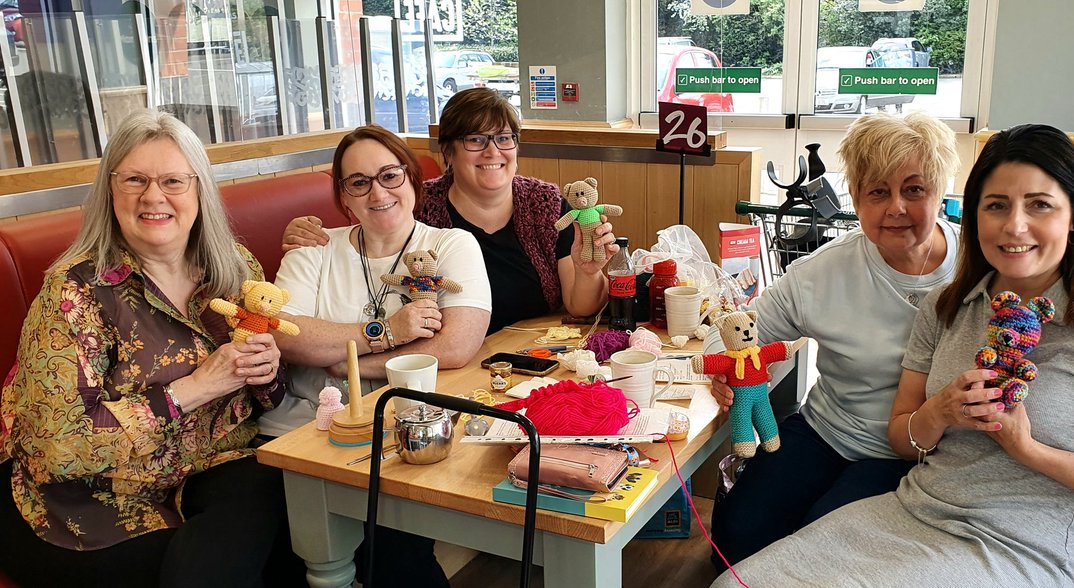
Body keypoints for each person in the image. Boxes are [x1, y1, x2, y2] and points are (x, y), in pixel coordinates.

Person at [714, 123, 1074, 587]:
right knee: (739, 548)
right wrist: (940, 409)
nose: (1015, 225)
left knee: (814, 530)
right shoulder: (949, 305)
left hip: (1003, 531)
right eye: (997, 206)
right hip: (899, 478)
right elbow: (746, 338)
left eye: (1041, 205)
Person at [0, 110, 304, 587]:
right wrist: (194, 388)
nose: (153, 197)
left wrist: (267, 373)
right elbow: (56, 449)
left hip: (202, 466)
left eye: (173, 181)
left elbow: (266, 400)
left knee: (287, 499)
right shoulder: (73, 293)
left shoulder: (234, 268)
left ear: (199, 190)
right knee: (232, 557)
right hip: (80, 501)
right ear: (110, 192)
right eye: (135, 180)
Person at [707, 111, 962, 566]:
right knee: (736, 535)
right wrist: (727, 374)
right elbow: (736, 336)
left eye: (915, 189)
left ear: (940, 192)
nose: (896, 208)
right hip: (827, 430)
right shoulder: (821, 273)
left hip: (924, 455)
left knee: (822, 547)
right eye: (878, 192)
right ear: (857, 198)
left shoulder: (979, 273)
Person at [263, 124, 491, 588]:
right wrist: (388, 332)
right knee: (285, 562)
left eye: (390, 176)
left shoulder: (450, 246)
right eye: (359, 182)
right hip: (300, 435)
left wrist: (349, 360)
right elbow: (285, 334)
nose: (378, 192)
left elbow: (457, 344)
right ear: (344, 196)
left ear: (411, 180)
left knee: (396, 559)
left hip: (399, 436)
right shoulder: (314, 252)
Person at [282, 87, 616, 333]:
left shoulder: (544, 205)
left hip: (530, 350)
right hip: (450, 360)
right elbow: (367, 229)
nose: (492, 152)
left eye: (503, 138)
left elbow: (579, 306)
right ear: (448, 151)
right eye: (475, 140)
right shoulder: (416, 208)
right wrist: (304, 232)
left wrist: (588, 272)